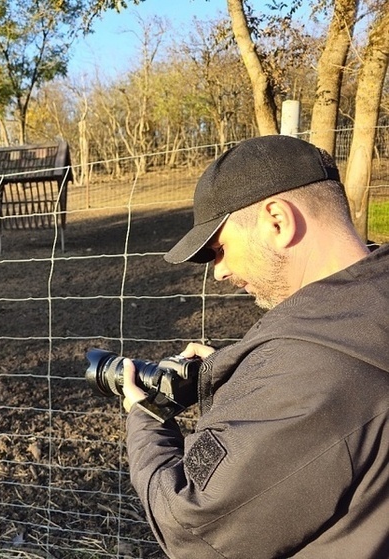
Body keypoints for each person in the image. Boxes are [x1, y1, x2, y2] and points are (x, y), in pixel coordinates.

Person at [120, 135, 389, 558]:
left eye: (217, 249)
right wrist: (248, 379)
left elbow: (192, 527)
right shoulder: (369, 307)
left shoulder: (307, 370)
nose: (219, 272)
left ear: (277, 220)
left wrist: (146, 420)